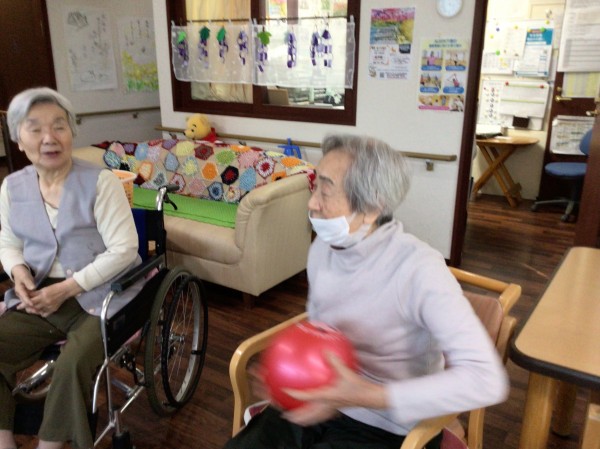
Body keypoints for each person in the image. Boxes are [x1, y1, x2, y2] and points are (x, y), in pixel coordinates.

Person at [224, 134, 509, 449]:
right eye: (315, 187)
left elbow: (486, 379)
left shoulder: (420, 270)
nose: (312, 203)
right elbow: (321, 333)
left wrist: (367, 395)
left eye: (326, 191)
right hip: (327, 401)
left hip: (391, 426)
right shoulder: (323, 250)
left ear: (372, 207)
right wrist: (286, 375)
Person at [0, 87, 140, 449]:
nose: (49, 137)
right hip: (40, 293)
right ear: (19, 139)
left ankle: (50, 444)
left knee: (72, 363)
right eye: (35, 128)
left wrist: (66, 288)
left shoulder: (100, 182)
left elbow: (124, 249)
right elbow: (8, 242)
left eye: (59, 126)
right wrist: (19, 273)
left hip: (105, 293)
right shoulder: (12, 187)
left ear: (72, 132)